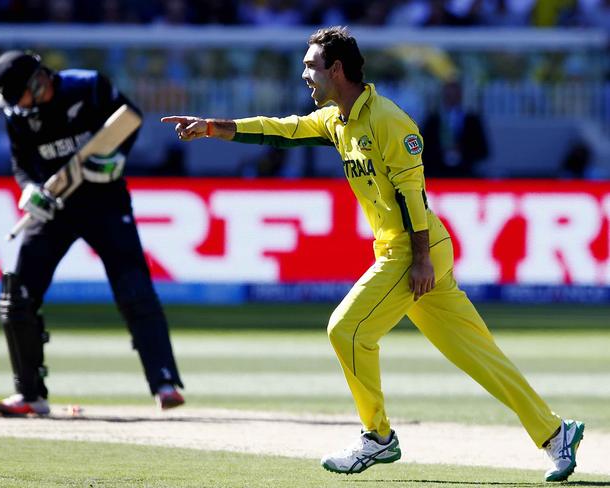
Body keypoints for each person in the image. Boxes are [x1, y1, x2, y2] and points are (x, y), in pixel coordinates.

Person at [161, 27, 584, 483]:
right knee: (479, 356)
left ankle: (377, 436)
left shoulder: (388, 120)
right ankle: (556, 432)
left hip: (413, 250)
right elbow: (280, 132)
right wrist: (212, 128)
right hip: (411, 251)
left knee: (346, 329)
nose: (305, 74)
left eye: (311, 66)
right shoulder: (336, 120)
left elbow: (413, 195)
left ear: (336, 69)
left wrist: (419, 260)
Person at [0, 50, 185, 415]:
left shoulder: (89, 86)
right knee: (17, 295)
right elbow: (21, 166)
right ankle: (31, 394)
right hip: (54, 207)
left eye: (22, 96)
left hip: (104, 202)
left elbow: (131, 119)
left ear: (38, 80)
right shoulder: (17, 116)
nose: (18, 106)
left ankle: (164, 382)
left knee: (135, 290)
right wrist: (30, 189)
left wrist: (117, 159)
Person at [421, 80, 489, 178]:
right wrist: (441, 152)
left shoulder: (472, 120)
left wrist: (462, 152)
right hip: (437, 174)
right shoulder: (433, 120)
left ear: (460, 96)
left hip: (465, 174)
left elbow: (483, 150)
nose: (452, 98)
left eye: (455, 95)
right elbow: (424, 149)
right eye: (449, 95)